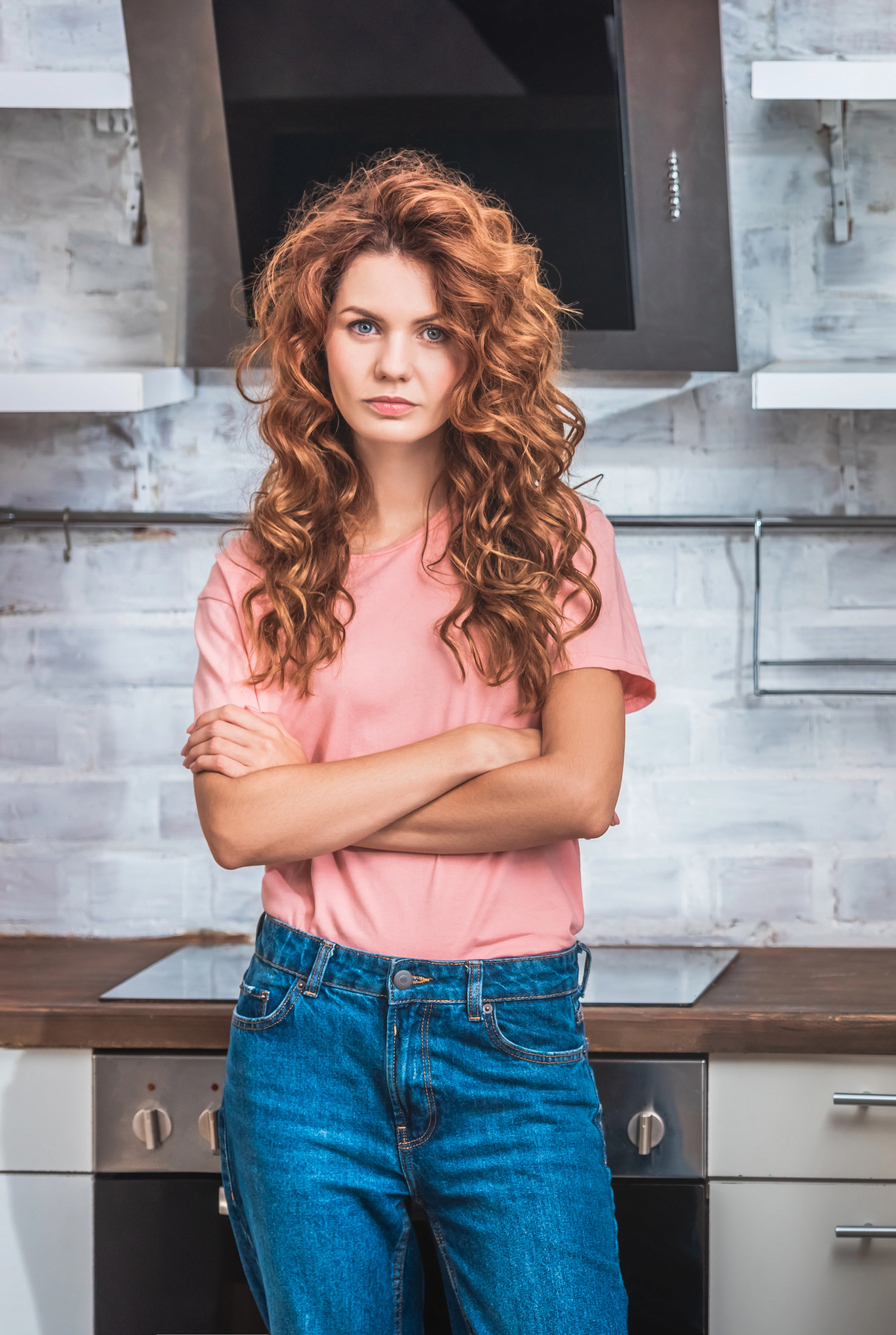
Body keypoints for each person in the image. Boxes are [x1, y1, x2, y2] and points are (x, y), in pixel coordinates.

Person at [181, 151, 653, 1334]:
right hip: (303, 1035)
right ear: (312, 342)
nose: (395, 363)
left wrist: (318, 799)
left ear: (478, 353)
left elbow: (580, 792)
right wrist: (469, 752)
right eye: (362, 324)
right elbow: (241, 828)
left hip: (510, 1028)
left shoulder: (561, 541)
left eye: (434, 331)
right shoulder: (256, 573)